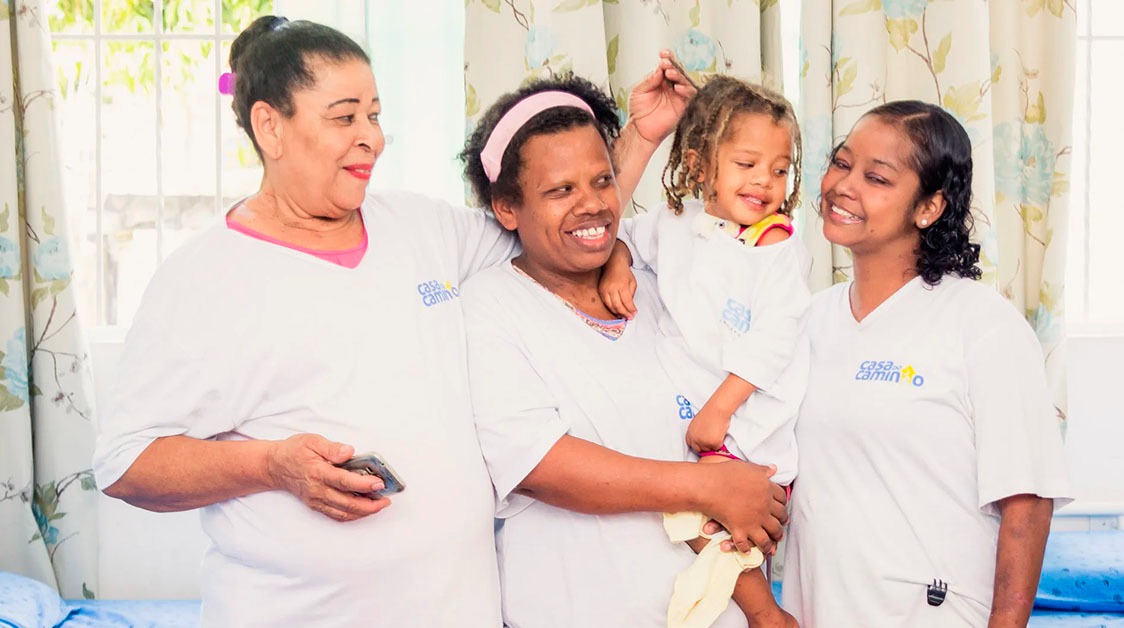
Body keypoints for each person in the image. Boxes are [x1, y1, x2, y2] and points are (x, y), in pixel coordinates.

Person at [91, 15, 697, 626]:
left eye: (375, 116)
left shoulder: (418, 227)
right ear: (270, 126)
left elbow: (556, 217)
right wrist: (271, 465)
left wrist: (640, 143)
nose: (372, 139)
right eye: (345, 117)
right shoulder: (205, 278)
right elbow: (126, 464)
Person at [458, 75, 795, 628]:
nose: (591, 205)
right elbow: (541, 465)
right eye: (560, 191)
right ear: (506, 207)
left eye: (601, 181)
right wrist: (711, 487)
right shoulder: (490, 305)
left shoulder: (660, 278)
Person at [780, 101, 1072, 627]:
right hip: (818, 609)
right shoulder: (807, 321)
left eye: (877, 177)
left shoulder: (983, 325)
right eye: (842, 163)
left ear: (928, 208)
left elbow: (1026, 503)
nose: (844, 185)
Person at [598, 75, 812, 627]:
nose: (766, 181)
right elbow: (616, 234)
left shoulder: (776, 244)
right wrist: (619, 263)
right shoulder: (676, 223)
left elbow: (776, 337)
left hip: (746, 416)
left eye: (780, 169)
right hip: (692, 412)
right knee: (688, 517)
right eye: (747, 164)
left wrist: (720, 409)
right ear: (700, 165)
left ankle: (768, 613)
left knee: (713, 517)